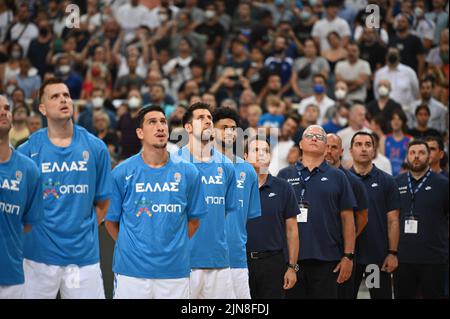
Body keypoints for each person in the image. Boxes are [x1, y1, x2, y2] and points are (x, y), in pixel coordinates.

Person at [17, 78, 112, 299]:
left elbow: (104, 203)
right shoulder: (26, 151)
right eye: (55, 96)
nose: (63, 100)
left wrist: (79, 230)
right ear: (42, 108)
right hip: (37, 258)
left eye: (67, 95)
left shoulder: (96, 147)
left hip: (82, 259)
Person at [104, 106, 207, 299]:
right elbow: (110, 221)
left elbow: (194, 220)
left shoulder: (189, 172)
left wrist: (174, 246)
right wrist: (130, 247)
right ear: (140, 133)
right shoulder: (121, 172)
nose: (160, 126)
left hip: (174, 271)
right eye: (152, 122)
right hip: (131, 272)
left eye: (163, 122)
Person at [278, 125, 356, 299]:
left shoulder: (339, 177)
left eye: (319, 137)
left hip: (328, 260)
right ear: (300, 143)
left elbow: (348, 219)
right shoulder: (284, 175)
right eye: (310, 135)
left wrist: (348, 256)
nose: (314, 139)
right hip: (290, 261)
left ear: (326, 145)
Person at [175, 102, 239, 299]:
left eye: (210, 118)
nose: (207, 121)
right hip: (182, 260)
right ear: (187, 128)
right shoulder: (173, 162)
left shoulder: (227, 165)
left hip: (218, 258)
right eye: (200, 118)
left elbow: (226, 210)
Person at [212, 107, 261, 299]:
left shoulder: (248, 171)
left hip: (236, 257)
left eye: (233, 128)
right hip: (202, 259)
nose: (230, 132)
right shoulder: (196, 167)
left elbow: (248, 217)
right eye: (223, 127)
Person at [245, 135, 299, 299]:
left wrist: (291, 267)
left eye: (266, 151)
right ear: (245, 157)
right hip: (241, 262)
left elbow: (292, 231)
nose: (261, 154)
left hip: (273, 262)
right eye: (256, 150)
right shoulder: (235, 187)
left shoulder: (284, 187)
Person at [0, 95, 42, 299]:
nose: (3, 112)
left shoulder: (29, 169)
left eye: (7, 108)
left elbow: (28, 223)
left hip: (12, 277)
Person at [394, 140, 449, 299]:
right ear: (407, 157)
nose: (416, 156)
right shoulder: (397, 182)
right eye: (412, 153)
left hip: (434, 258)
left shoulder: (443, 184)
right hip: (403, 258)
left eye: (421, 152)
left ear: (429, 156)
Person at [349, 132, 401, 299]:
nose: (363, 149)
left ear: (374, 150)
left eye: (368, 144)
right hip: (349, 257)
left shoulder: (387, 181)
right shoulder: (342, 179)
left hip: (375, 259)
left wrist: (392, 253)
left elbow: (393, 220)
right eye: (358, 144)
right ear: (350, 150)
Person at [325, 133, 369, 299]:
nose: (329, 151)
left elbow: (363, 217)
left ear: (341, 151)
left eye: (334, 147)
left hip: (343, 253)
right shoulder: (311, 178)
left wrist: (347, 239)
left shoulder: (353, 181)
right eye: (327, 146)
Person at [384, 109, 413, 176]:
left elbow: (409, 162)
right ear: (390, 121)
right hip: (386, 176)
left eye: (399, 119)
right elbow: (381, 161)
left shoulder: (410, 139)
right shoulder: (384, 139)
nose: (396, 122)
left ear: (403, 122)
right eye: (393, 119)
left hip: (404, 176)